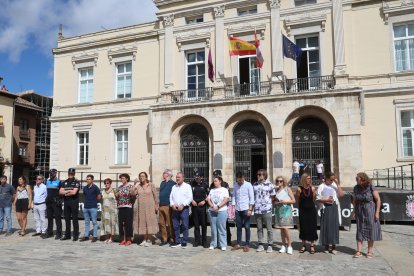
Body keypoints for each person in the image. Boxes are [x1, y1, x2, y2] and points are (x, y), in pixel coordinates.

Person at [353, 172, 382, 258]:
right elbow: (355, 200)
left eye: (357, 178)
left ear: (362, 179)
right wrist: (354, 211)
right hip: (360, 209)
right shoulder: (356, 188)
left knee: (371, 229)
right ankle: (359, 251)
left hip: (370, 209)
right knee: (360, 229)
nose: (356, 179)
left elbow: (378, 200)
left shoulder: (370, 187)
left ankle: (370, 251)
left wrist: (377, 212)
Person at [316, 171, 344, 254]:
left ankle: (334, 245)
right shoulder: (321, 186)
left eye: (333, 179)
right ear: (326, 179)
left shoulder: (334, 185)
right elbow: (317, 198)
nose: (332, 181)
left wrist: (337, 184)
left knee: (334, 226)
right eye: (331, 179)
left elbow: (341, 195)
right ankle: (326, 245)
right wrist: (326, 200)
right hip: (326, 207)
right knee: (326, 226)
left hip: (334, 206)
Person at [253, 169, 276, 253]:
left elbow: (273, 196)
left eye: (260, 174)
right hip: (257, 210)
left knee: (269, 228)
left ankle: (270, 245)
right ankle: (260, 244)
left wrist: (268, 204)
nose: (258, 176)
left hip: (267, 209)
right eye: (258, 174)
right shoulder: (254, 185)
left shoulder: (270, 185)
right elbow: (253, 197)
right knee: (259, 228)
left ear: (264, 175)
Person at [134, 172, 159, 246]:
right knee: (143, 222)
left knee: (149, 221)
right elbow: (132, 194)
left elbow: (155, 196)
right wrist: (134, 185)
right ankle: (144, 239)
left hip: (150, 207)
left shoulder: (151, 185)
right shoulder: (138, 186)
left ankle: (149, 240)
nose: (141, 177)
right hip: (141, 208)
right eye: (140, 176)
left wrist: (156, 205)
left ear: (146, 177)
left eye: (143, 176)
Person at [231, 171, 254, 252]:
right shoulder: (235, 185)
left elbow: (251, 198)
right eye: (239, 180)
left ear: (244, 178)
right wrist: (233, 208)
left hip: (246, 209)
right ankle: (238, 244)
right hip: (238, 209)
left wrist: (250, 209)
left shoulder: (248, 185)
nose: (240, 181)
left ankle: (247, 244)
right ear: (236, 179)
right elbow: (234, 197)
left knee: (247, 227)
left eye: (241, 180)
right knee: (239, 227)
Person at [295, 173, 318, 254]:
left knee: (312, 227)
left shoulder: (313, 188)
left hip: (311, 210)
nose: (309, 180)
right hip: (303, 210)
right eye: (308, 178)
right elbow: (297, 200)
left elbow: (314, 199)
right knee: (303, 227)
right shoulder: (299, 189)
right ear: (304, 179)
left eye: (310, 178)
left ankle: (312, 245)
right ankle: (303, 244)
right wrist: (301, 209)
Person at [170, 172, 193, 248]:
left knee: (185, 225)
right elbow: (171, 197)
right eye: (176, 177)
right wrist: (172, 204)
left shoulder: (187, 186)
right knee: (176, 226)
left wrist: (183, 204)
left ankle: (184, 241)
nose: (177, 179)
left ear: (183, 178)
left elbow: (190, 198)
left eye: (179, 177)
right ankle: (177, 241)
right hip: (175, 209)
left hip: (184, 209)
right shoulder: (174, 187)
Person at [274, 176, 295, 255]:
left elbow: (293, 200)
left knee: (286, 229)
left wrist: (285, 201)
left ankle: (289, 246)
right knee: (281, 229)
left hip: (286, 211)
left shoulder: (287, 189)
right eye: (277, 181)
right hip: (279, 210)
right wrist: (275, 202)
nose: (279, 183)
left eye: (281, 181)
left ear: (283, 182)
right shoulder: (275, 190)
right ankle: (283, 245)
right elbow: (274, 201)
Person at [207, 176, 229, 251]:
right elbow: (208, 199)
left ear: (220, 181)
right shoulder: (212, 190)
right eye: (214, 181)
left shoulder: (224, 190)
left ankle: (222, 244)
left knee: (221, 228)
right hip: (212, 210)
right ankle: (213, 243)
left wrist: (218, 206)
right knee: (213, 228)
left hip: (222, 210)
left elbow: (226, 199)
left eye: (216, 181)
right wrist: (213, 206)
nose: (214, 182)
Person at [210, 169, 232, 246]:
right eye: (214, 175)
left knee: (225, 225)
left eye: (217, 175)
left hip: (223, 207)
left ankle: (228, 240)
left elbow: (227, 196)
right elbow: (210, 196)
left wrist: (220, 206)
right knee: (215, 226)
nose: (215, 177)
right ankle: (217, 241)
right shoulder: (212, 185)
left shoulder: (225, 184)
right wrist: (213, 206)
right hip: (214, 208)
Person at [59, 168, 81, 241]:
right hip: (66, 202)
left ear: (74, 174)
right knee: (67, 219)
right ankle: (67, 235)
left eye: (72, 174)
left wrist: (65, 191)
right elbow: (60, 192)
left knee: (74, 219)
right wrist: (69, 191)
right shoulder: (65, 182)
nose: (70, 175)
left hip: (74, 202)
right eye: (69, 174)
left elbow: (74, 192)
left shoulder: (77, 182)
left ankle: (75, 235)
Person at [115, 173, 136, 246]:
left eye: (123, 178)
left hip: (128, 206)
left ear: (127, 178)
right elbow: (117, 197)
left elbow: (133, 195)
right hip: (120, 206)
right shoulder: (119, 187)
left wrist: (132, 191)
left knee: (128, 223)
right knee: (121, 224)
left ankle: (129, 239)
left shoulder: (131, 186)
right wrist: (116, 195)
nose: (122, 179)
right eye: (121, 178)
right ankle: (123, 239)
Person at [80, 174, 101, 242]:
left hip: (93, 207)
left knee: (94, 222)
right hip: (86, 207)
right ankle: (86, 236)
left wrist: (94, 202)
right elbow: (85, 195)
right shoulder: (85, 188)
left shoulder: (95, 187)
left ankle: (95, 236)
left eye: (89, 179)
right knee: (87, 222)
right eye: (87, 179)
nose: (88, 180)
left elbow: (99, 197)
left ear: (92, 180)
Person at [191, 172, 209, 248]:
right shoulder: (191, 184)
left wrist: (204, 201)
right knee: (196, 225)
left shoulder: (205, 185)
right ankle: (197, 241)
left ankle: (204, 242)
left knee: (204, 225)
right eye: (195, 177)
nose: (196, 178)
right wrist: (192, 200)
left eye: (198, 177)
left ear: (201, 177)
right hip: (194, 206)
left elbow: (209, 196)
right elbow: (188, 194)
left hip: (202, 207)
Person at [158, 169, 176, 246]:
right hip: (161, 205)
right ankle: (164, 238)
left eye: (164, 173)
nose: (163, 174)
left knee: (169, 223)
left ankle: (172, 238)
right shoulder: (162, 183)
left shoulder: (173, 183)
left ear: (168, 174)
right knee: (161, 223)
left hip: (168, 205)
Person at [45, 168, 63, 239]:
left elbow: (61, 192)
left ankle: (59, 233)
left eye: (52, 173)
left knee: (58, 218)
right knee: (49, 217)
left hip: (56, 202)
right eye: (50, 173)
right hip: (49, 202)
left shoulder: (59, 182)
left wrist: (60, 199)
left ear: (55, 173)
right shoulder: (47, 181)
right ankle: (50, 232)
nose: (51, 175)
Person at [100, 178, 119, 244]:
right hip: (105, 210)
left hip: (112, 210)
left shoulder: (114, 190)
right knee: (106, 224)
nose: (106, 184)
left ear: (110, 183)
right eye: (105, 183)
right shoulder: (103, 191)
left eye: (107, 183)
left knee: (112, 223)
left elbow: (117, 198)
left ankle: (111, 238)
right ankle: (107, 237)